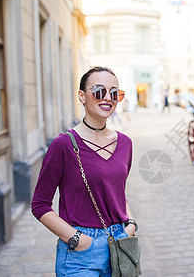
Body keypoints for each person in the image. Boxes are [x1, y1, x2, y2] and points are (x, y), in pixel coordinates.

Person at [31, 67, 138, 276]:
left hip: (120, 244)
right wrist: (77, 239)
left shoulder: (125, 143)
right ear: (82, 96)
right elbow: (40, 205)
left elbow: (118, 192)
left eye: (114, 93)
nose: (108, 98)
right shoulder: (63, 145)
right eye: (99, 91)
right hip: (80, 256)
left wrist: (131, 225)